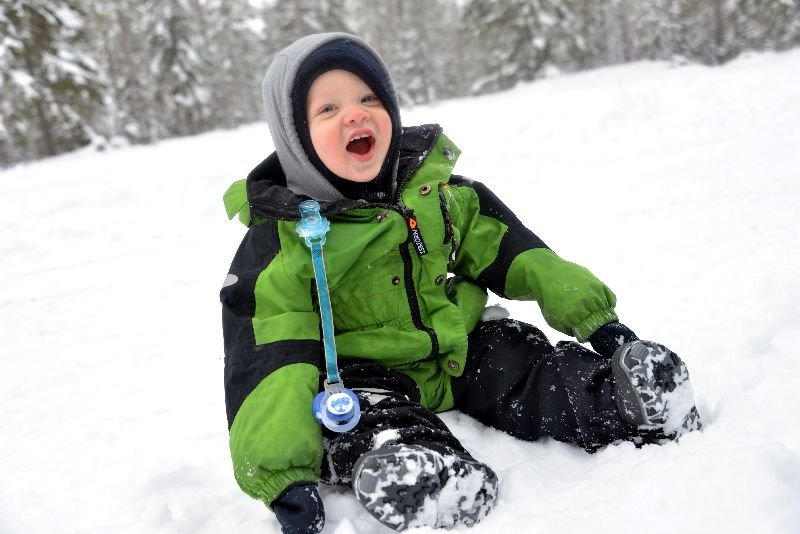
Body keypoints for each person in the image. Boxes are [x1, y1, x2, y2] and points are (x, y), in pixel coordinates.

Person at [220, 32, 701, 533]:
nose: (356, 114)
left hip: (457, 346)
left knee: (523, 365)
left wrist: (597, 321)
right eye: (328, 109)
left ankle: (625, 399)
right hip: (362, 376)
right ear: (295, 138)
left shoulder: (435, 193)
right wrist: (285, 479)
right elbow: (265, 357)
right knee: (368, 423)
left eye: (369, 98)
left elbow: (518, 252)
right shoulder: (283, 240)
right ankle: (417, 471)